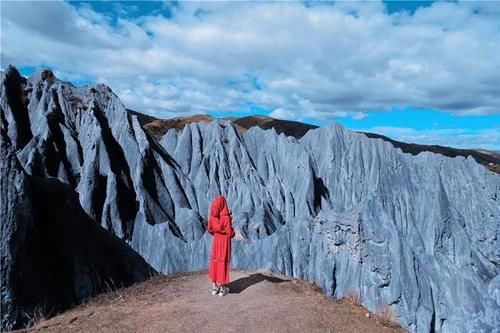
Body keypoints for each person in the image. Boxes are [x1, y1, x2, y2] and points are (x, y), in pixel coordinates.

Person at [207, 195, 235, 296]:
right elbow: (229, 232)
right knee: (223, 262)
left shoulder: (212, 216)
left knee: (215, 261)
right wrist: (233, 231)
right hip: (224, 242)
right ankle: (223, 289)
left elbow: (209, 229)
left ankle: (214, 287)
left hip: (216, 241)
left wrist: (216, 234)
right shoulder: (226, 217)